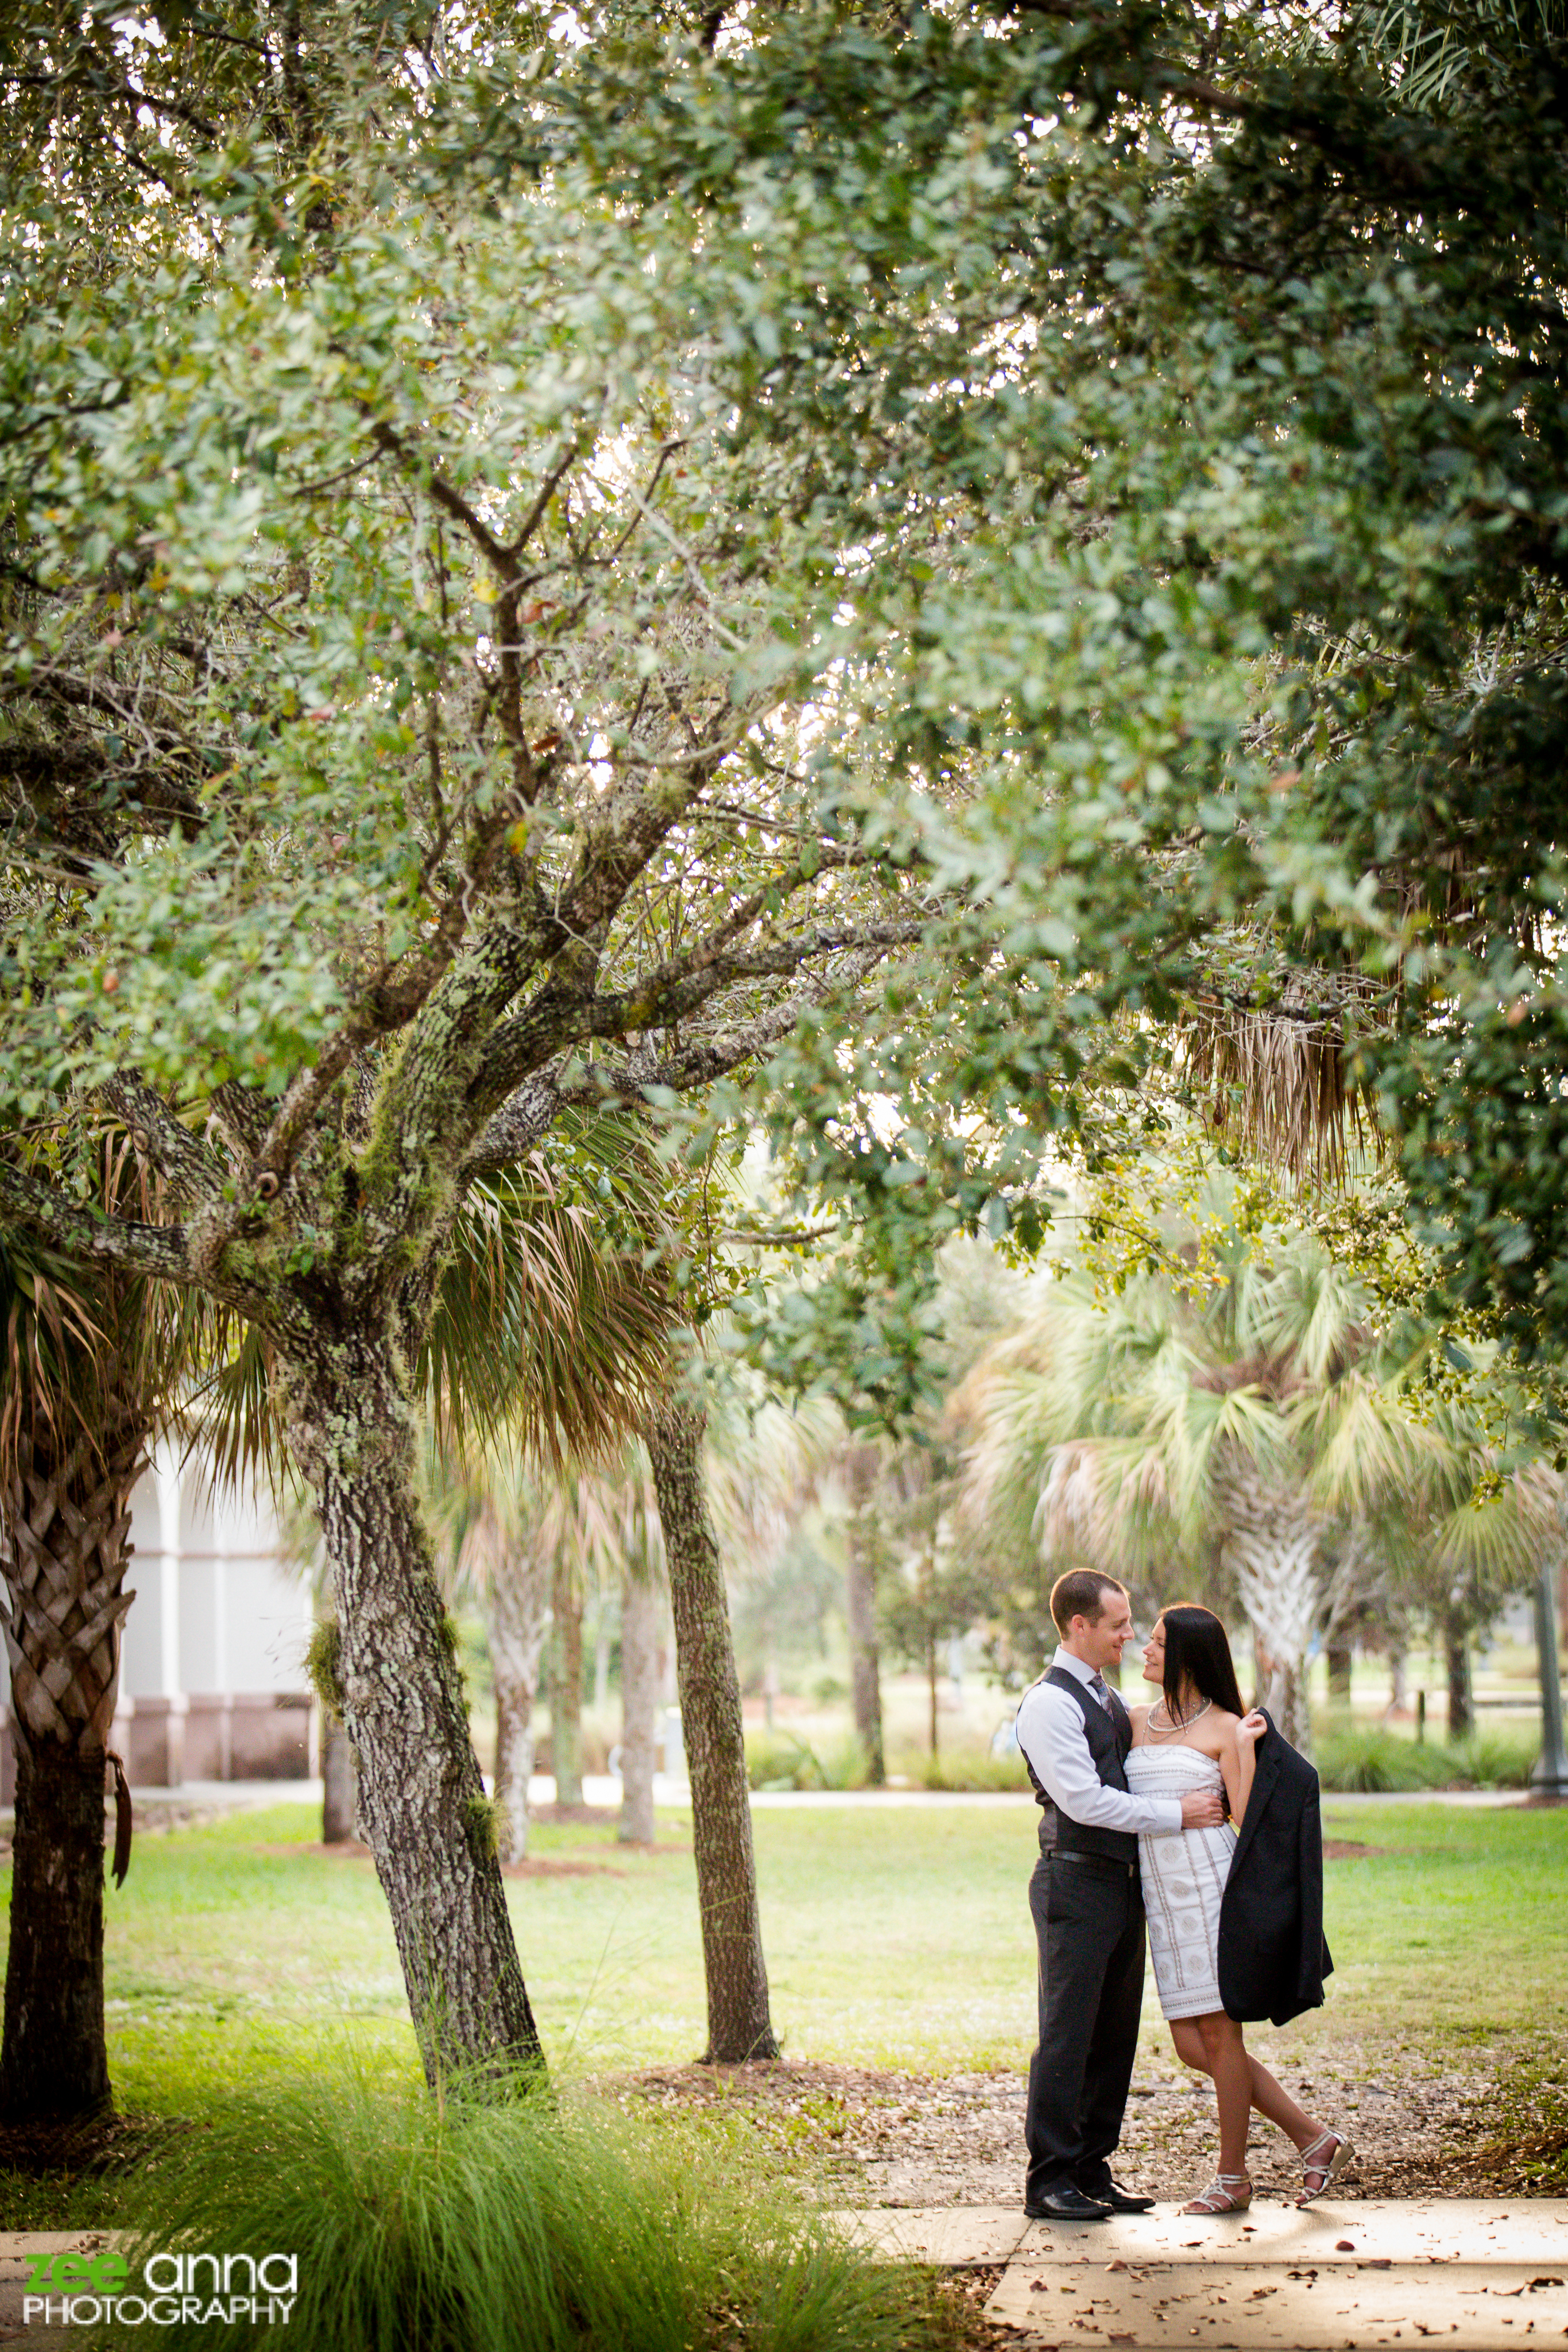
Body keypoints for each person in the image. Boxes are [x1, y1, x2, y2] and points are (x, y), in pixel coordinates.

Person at [1015, 1569, 1226, 2222]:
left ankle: (1090, 2170)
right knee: (1067, 2033)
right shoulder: (1049, 1703)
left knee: (1113, 2035)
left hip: (1119, 1884)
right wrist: (1177, 1812)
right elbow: (1082, 1799)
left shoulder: (1104, 1695)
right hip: (1073, 1882)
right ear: (1078, 1625)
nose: (1129, 1634)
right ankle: (1049, 2180)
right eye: (1116, 1624)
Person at [1126, 1604, 1352, 2214]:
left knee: (1221, 2038)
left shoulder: (1227, 1725)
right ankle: (1313, 2137)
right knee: (1191, 2046)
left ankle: (1232, 2177)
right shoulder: (1132, 1720)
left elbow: (1244, 1818)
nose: (1143, 1650)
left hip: (1210, 1889)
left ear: (1187, 1656)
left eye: (1155, 1643)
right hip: (1161, 1896)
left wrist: (1246, 1750)